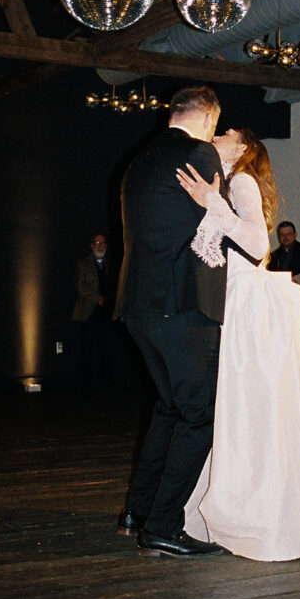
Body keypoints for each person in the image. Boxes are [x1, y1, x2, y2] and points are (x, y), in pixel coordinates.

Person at [178, 128, 300, 567]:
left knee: (243, 406)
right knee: (240, 408)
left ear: (243, 149)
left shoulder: (240, 182)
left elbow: (258, 245)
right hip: (231, 299)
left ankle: (252, 511)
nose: (218, 134)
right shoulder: (224, 181)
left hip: (244, 304)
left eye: (228, 133)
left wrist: (211, 203)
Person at [114, 85, 227, 559]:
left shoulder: (139, 159)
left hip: (138, 303)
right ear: (207, 119)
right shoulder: (200, 152)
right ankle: (162, 525)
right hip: (179, 304)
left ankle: (137, 512)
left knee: (168, 407)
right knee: (198, 414)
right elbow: (227, 227)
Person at [70, 233, 119, 387]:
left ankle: (107, 382)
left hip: (107, 311)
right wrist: (97, 298)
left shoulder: (111, 264)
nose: (100, 246)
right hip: (88, 311)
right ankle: (85, 383)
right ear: (92, 245)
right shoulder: (83, 263)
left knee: (107, 346)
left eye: (103, 243)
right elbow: (80, 286)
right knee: (87, 347)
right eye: (97, 243)